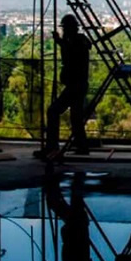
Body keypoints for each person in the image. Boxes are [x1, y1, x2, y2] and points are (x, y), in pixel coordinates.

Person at [39, 14, 91, 158]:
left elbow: (71, 54)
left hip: (75, 85)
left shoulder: (75, 42)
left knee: (53, 111)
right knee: (76, 116)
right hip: (79, 85)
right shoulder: (80, 41)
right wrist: (61, 42)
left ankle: (52, 146)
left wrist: (60, 42)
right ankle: (81, 145)